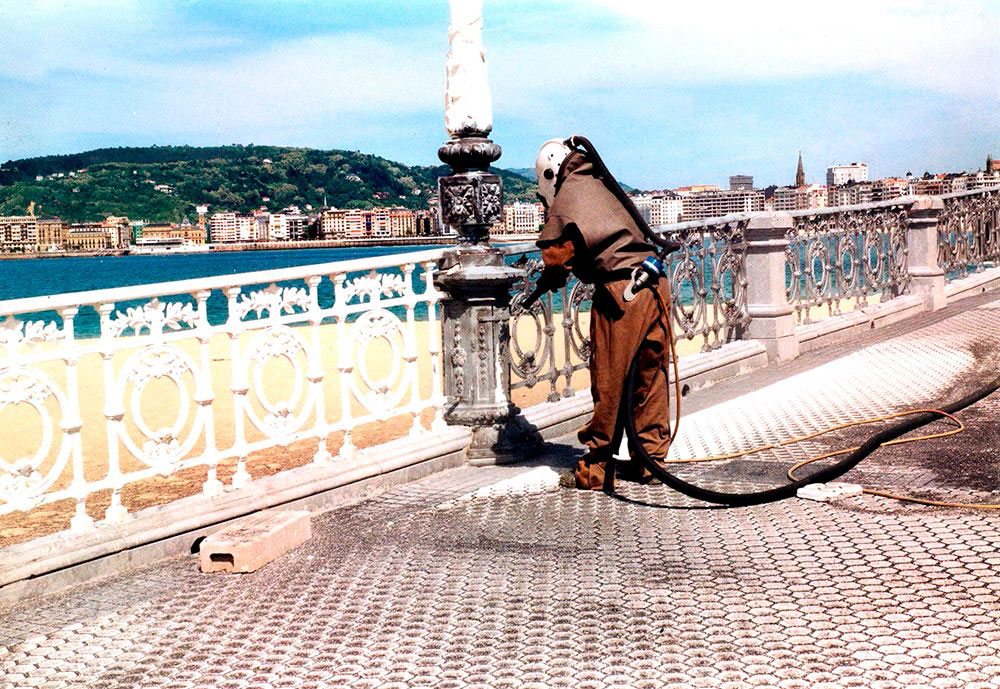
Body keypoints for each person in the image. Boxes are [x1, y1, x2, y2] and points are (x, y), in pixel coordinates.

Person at [534, 137, 674, 491]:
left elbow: (555, 254)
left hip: (621, 293)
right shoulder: (600, 184)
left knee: (610, 382)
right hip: (656, 285)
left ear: (551, 174)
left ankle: (596, 469)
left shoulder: (569, 196)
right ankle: (650, 462)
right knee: (649, 377)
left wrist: (550, 278)